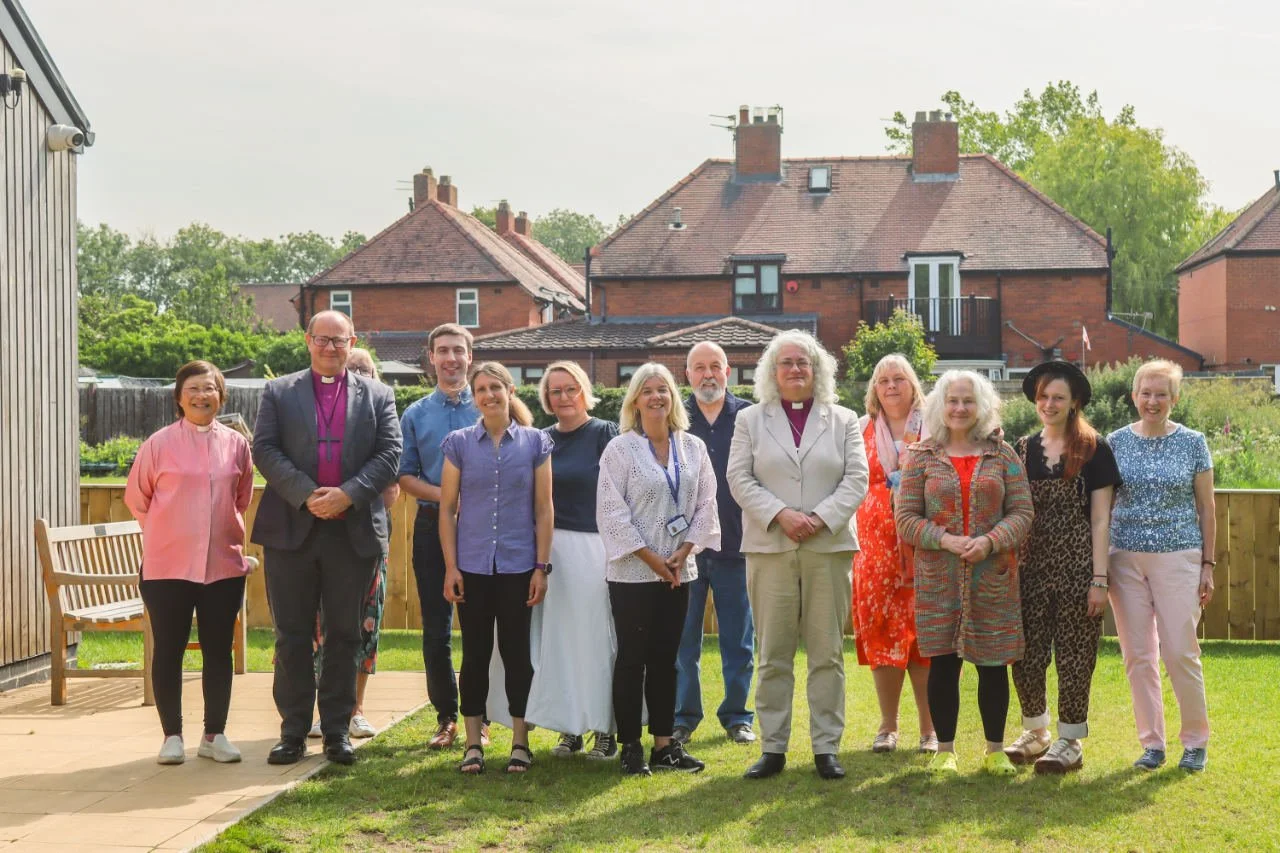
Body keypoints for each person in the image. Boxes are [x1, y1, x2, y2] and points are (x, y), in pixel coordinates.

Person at [252, 310, 402, 766]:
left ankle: (337, 731)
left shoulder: (379, 395)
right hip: (292, 530)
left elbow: (390, 453)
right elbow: (264, 449)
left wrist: (347, 495)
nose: (331, 348)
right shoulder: (279, 392)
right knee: (291, 636)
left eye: (339, 341)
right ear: (307, 341)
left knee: (344, 635)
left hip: (351, 530)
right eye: (323, 339)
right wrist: (305, 494)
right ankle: (293, 732)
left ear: (351, 341)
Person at [727, 330, 869, 781]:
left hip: (827, 546)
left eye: (803, 362)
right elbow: (739, 478)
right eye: (786, 362)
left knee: (827, 653)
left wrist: (820, 518)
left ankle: (826, 747)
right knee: (773, 653)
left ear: (817, 370)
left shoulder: (845, 419)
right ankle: (773, 747)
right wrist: (782, 514)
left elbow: (857, 479)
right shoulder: (750, 420)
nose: (794, 370)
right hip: (771, 546)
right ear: (773, 370)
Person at [895, 370, 1033, 776]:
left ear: (982, 407)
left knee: (993, 665)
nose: (959, 408)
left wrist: (989, 541)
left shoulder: (1003, 454)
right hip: (938, 579)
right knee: (942, 664)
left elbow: (1022, 512)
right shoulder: (921, 456)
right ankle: (946, 751)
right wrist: (946, 540)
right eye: (952, 401)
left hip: (993, 578)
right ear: (940, 405)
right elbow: (905, 518)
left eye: (967, 401)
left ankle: (994, 751)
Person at [125, 361, 254, 765]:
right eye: (194, 389)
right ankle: (172, 736)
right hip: (167, 569)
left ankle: (214, 734)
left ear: (221, 396)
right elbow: (137, 498)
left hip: (223, 567)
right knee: (169, 649)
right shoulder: (158, 444)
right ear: (179, 397)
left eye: (211, 389)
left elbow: (241, 498)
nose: (203, 396)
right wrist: (170, 533)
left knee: (219, 651)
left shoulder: (237, 445)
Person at [597, 363, 720, 776]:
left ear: (672, 398)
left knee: (668, 659)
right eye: (647, 390)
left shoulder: (693, 448)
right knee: (632, 658)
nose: (655, 397)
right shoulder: (620, 449)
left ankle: (665, 745)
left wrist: (684, 552)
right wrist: (652, 559)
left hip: (679, 571)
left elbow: (706, 504)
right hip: (633, 573)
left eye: (663, 390)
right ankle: (631, 744)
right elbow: (612, 513)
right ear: (634, 399)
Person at [1004, 361, 1121, 773]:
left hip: (1078, 565)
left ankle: (1070, 740)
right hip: (1030, 567)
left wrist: (1099, 580)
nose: (1048, 404)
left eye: (1058, 397)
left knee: (1075, 655)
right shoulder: (1021, 448)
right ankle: (1036, 733)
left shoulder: (1094, 448)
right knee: (1027, 654)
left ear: (1074, 403)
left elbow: (1101, 519)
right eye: (1043, 397)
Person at [440, 362, 553, 774]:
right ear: (474, 397)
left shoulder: (536, 443)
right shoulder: (458, 444)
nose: (488, 395)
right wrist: (451, 567)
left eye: (495, 387)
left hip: (519, 565)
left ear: (510, 390)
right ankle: (473, 743)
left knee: (517, 654)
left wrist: (541, 567)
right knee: (474, 655)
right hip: (470, 567)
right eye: (480, 389)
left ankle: (520, 742)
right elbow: (448, 508)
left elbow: (544, 509)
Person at [1108, 359, 1215, 773]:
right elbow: (1101, 506)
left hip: (1179, 557)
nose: (1153, 401)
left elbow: (1207, 508)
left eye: (1162, 393)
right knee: (1138, 656)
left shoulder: (1193, 442)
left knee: (1179, 652)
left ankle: (1195, 742)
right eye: (1146, 393)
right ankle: (1152, 744)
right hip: (1125, 561)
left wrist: (1208, 564)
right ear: (1134, 396)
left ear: (1175, 398)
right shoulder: (1114, 442)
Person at [525, 361, 621, 760]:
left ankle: (604, 728)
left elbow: (619, 492)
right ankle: (569, 727)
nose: (563, 397)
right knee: (557, 643)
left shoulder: (604, 433)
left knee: (596, 641)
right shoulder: (539, 439)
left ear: (584, 390)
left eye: (571, 389)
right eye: (555, 391)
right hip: (551, 552)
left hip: (593, 548)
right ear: (546, 397)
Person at [398, 323, 482, 751]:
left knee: (480, 628)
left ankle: (479, 714)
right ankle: (447, 717)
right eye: (443, 351)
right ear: (430, 358)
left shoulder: (490, 406)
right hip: (433, 527)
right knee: (437, 630)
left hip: (485, 530)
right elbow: (406, 476)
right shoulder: (414, 415)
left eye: (459, 351)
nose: (451, 359)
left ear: (470, 356)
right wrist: (450, 497)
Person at [309, 348, 401, 740]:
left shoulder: (383, 418)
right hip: (319, 535)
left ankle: (357, 709)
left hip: (367, 540)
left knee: (364, 625)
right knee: (320, 627)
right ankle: (324, 711)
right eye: (354, 367)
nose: (359, 372)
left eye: (366, 368)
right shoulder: (321, 416)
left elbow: (392, 489)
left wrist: (352, 494)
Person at [673, 342, 756, 746]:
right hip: (683, 549)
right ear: (687, 375)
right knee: (682, 640)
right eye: (699, 368)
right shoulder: (672, 416)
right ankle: (682, 717)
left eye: (715, 367)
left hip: (737, 547)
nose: (708, 375)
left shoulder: (750, 417)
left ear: (728, 372)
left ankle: (738, 716)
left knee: (738, 639)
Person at [853, 354, 936, 755]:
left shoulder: (934, 429)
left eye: (899, 378)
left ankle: (929, 728)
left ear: (913, 384)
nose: (890, 386)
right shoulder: (859, 430)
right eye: (882, 379)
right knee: (882, 632)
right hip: (875, 551)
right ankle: (888, 725)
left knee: (925, 637)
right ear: (874, 388)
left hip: (925, 548)